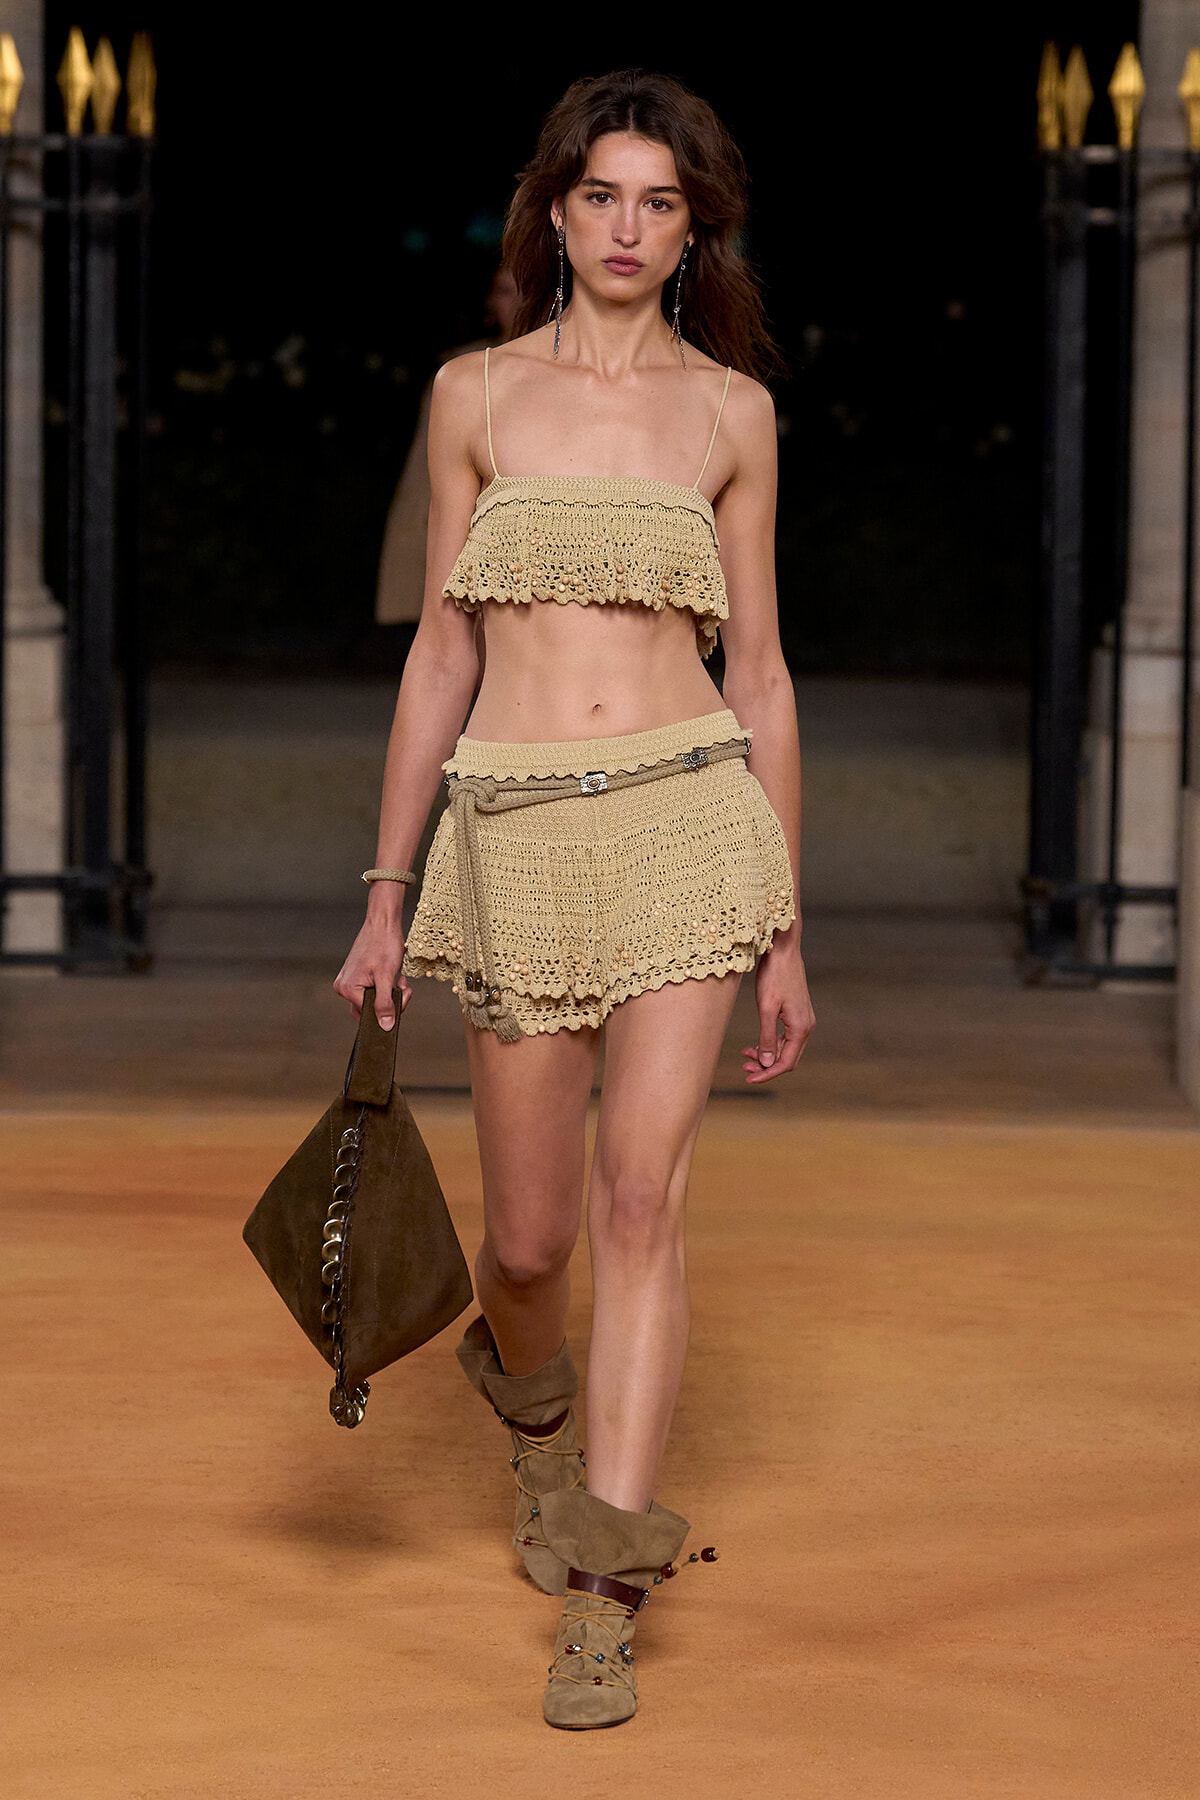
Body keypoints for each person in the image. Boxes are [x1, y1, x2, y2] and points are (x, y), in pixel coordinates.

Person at [334, 67, 815, 1731]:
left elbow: (760, 676)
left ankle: (608, 1582)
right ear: (556, 212)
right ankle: (529, 1409)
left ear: (695, 232)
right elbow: (440, 656)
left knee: (640, 1203)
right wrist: (386, 891)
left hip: (688, 817)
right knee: (530, 1245)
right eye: (600, 195)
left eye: (658, 202)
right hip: (514, 829)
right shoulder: (475, 396)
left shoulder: (731, 416)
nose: (625, 226)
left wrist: (788, 926)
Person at [374, 266, 520, 626]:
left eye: (526, 289)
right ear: (489, 303)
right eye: (504, 291)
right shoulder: (459, 372)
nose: (516, 303)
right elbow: (423, 477)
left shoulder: (576, 368)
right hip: (466, 543)